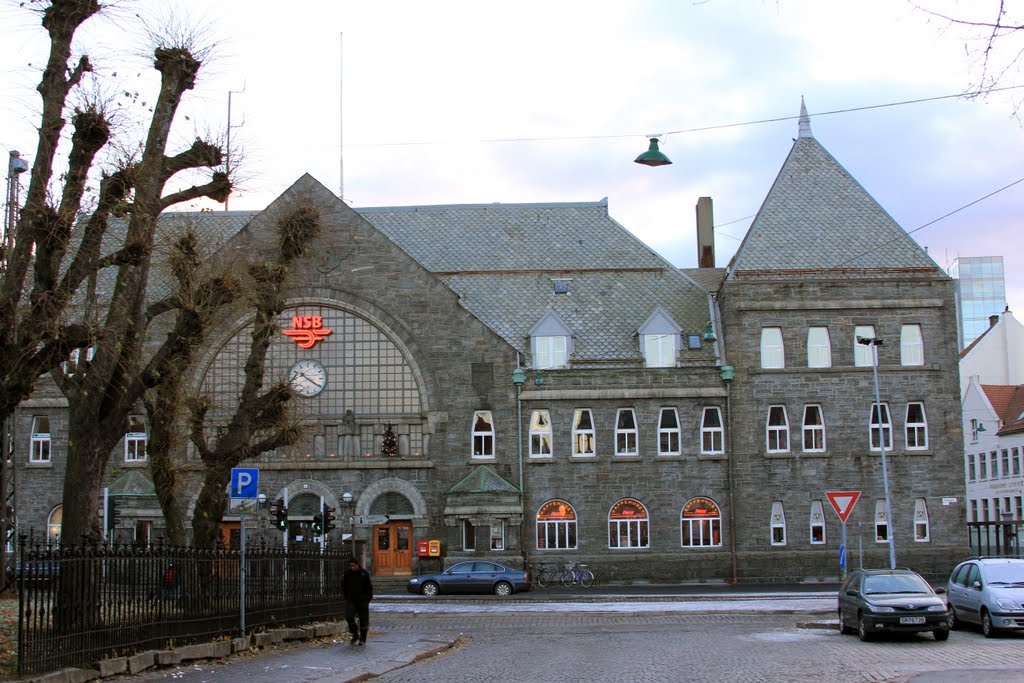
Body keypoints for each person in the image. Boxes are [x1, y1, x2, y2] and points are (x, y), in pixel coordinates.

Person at [342, 558, 373, 645]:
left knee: (363, 618)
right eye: (351, 566)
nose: (352, 568)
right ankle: (355, 633)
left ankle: (363, 638)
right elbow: (344, 586)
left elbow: (369, 587)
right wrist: (347, 596)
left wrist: (367, 598)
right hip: (351, 599)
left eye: (354, 566)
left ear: (358, 565)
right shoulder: (347, 574)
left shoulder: (364, 574)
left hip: (362, 600)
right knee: (349, 616)